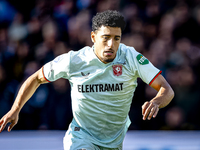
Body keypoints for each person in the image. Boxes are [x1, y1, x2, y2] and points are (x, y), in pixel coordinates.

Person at [0, 10, 174, 150]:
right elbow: (36, 78)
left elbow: (166, 89)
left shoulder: (131, 57)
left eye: (116, 39)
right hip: (80, 136)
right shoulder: (74, 61)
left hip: (113, 142)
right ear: (93, 38)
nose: (111, 45)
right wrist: (15, 109)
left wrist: (157, 102)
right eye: (105, 38)